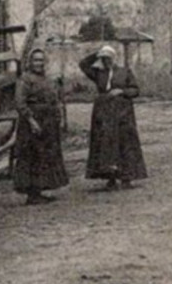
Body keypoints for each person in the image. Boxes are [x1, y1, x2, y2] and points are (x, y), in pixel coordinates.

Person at [79, 44, 147, 191]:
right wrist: (97, 53)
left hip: (123, 112)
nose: (106, 61)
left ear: (114, 58)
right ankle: (110, 178)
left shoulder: (125, 72)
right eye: (104, 58)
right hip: (103, 113)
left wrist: (121, 91)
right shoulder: (98, 73)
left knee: (125, 143)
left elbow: (135, 90)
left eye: (108, 58)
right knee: (105, 144)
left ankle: (126, 178)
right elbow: (83, 64)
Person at [14, 47, 69, 205]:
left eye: (41, 60)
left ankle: (39, 190)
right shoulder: (25, 79)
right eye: (36, 60)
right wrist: (32, 121)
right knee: (32, 156)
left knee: (45, 156)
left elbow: (54, 99)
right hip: (33, 123)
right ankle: (32, 194)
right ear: (30, 62)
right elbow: (20, 102)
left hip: (48, 122)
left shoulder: (46, 79)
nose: (39, 63)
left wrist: (57, 117)